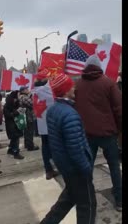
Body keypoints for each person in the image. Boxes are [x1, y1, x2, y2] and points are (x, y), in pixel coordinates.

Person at [40, 73, 96, 224]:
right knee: (88, 206)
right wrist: (86, 168)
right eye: (71, 86)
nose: (74, 88)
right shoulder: (70, 114)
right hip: (76, 170)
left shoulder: (53, 110)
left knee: (67, 200)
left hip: (65, 167)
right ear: (65, 90)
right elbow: (75, 148)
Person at [74, 54, 122, 212]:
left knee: (87, 167)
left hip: (87, 134)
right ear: (99, 66)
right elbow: (118, 109)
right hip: (108, 133)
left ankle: (86, 199)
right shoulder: (108, 83)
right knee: (114, 167)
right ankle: (120, 200)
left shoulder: (78, 85)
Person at [34, 68, 59, 180]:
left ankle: (48, 169)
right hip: (52, 123)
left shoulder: (34, 91)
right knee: (55, 147)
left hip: (42, 124)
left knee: (45, 147)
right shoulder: (49, 90)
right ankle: (57, 166)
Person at [3, 90, 25, 159]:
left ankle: (10, 150)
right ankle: (16, 152)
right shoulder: (7, 106)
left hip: (17, 124)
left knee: (15, 138)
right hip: (11, 125)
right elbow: (8, 115)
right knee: (15, 138)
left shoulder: (16, 104)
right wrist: (16, 113)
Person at [18, 86, 39, 151]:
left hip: (25, 116)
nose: (28, 90)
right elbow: (32, 104)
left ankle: (27, 144)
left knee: (27, 131)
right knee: (30, 131)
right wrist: (31, 96)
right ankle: (30, 146)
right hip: (28, 116)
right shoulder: (24, 97)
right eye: (26, 89)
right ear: (23, 91)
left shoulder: (21, 97)